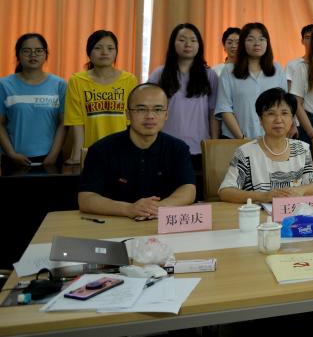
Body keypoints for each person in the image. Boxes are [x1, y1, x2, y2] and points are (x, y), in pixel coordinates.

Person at [77, 83, 195, 219]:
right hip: (114, 223)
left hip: (160, 223)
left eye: (158, 109)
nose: (150, 116)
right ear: (128, 114)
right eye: (141, 109)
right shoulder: (101, 150)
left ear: (166, 114)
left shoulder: (178, 148)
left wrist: (158, 208)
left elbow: (188, 189)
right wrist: (129, 209)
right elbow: (86, 199)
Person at [218, 88, 313, 203]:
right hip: (258, 213)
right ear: (260, 120)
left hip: (294, 212)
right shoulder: (245, 153)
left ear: (292, 119)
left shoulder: (302, 149)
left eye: (284, 113)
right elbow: (225, 191)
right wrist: (263, 197)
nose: (278, 120)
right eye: (271, 114)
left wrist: (300, 191)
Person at [149, 23, 219, 169]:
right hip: (165, 146)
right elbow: (149, 108)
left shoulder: (209, 75)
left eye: (193, 40)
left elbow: (213, 112)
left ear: (199, 45)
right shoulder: (160, 74)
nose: (188, 44)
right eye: (182, 40)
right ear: (173, 43)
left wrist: (214, 143)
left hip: (199, 147)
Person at [64, 30, 139, 164]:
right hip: (91, 153)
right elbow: (76, 122)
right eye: (98, 48)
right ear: (89, 52)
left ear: (116, 52)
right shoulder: (77, 81)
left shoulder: (129, 80)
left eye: (110, 48)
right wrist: (77, 155)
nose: (105, 52)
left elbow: (132, 121)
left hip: (122, 152)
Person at [0, 34, 66, 168]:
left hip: (50, 160)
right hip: (13, 159)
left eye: (38, 50)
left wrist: (53, 156)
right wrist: (12, 154)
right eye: (26, 51)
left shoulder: (60, 85)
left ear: (46, 54)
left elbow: (64, 124)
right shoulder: (4, 85)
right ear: (18, 55)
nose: (33, 55)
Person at [216, 22, 287, 139]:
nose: (257, 43)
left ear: (267, 43)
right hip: (236, 140)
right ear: (242, 43)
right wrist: (242, 138)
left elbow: (284, 104)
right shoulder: (229, 71)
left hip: (270, 140)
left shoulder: (277, 69)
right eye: (251, 39)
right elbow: (224, 108)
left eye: (261, 39)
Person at [285, 24, 313, 91]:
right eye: (308, 38)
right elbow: (288, 92)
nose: (311, 41)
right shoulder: (292, 65)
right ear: (302, 41)